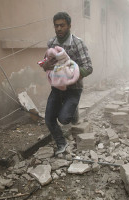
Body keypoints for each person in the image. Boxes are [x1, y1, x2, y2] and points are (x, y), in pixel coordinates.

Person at [41, 12, 93, 155]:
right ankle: (61, 143)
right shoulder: (51, 43)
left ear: (69, 26)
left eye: (62, 25)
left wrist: (70, 72)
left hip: (74, 88)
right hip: (57, 88)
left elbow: (89, 67)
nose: (59, 28)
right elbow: (46, 63)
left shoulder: (78, 43)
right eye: (56, 26)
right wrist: (46, 65)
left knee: (64, 119)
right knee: (49, 119)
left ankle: (72, 111)